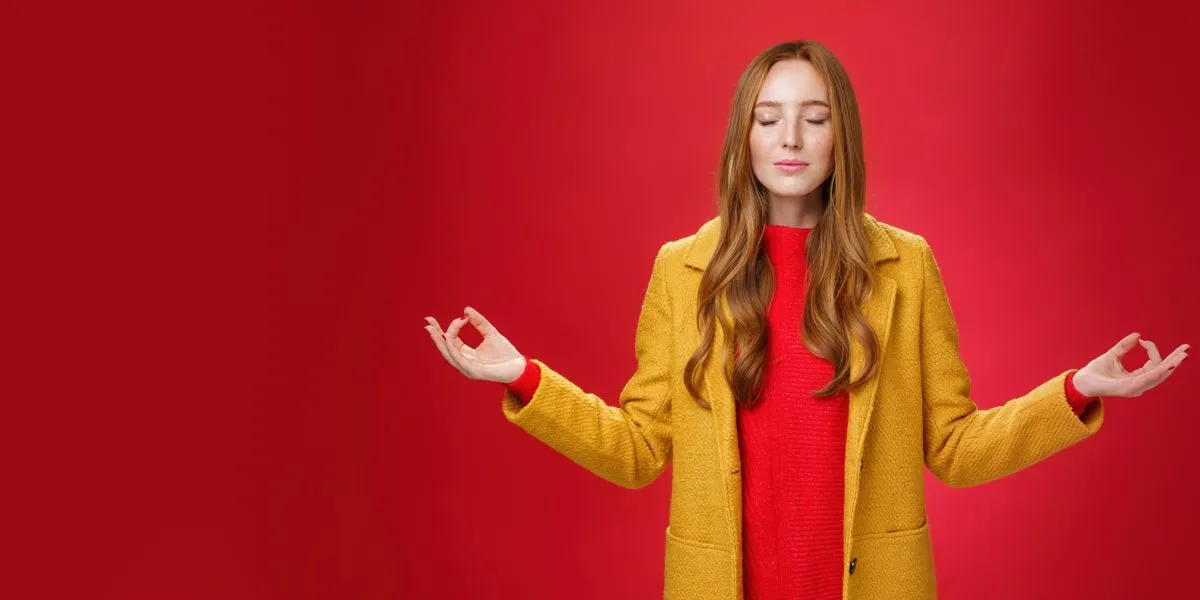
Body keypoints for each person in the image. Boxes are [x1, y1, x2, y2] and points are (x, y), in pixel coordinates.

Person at [422, 39, 1189, 600]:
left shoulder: (906, 266)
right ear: (744, 136)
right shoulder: (682, 270)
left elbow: (954, 448)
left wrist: (1077, 392)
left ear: (839, 135)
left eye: (813, 118)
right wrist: (522, 378)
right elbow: (638, 450)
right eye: (769, 119)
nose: (790, 139)